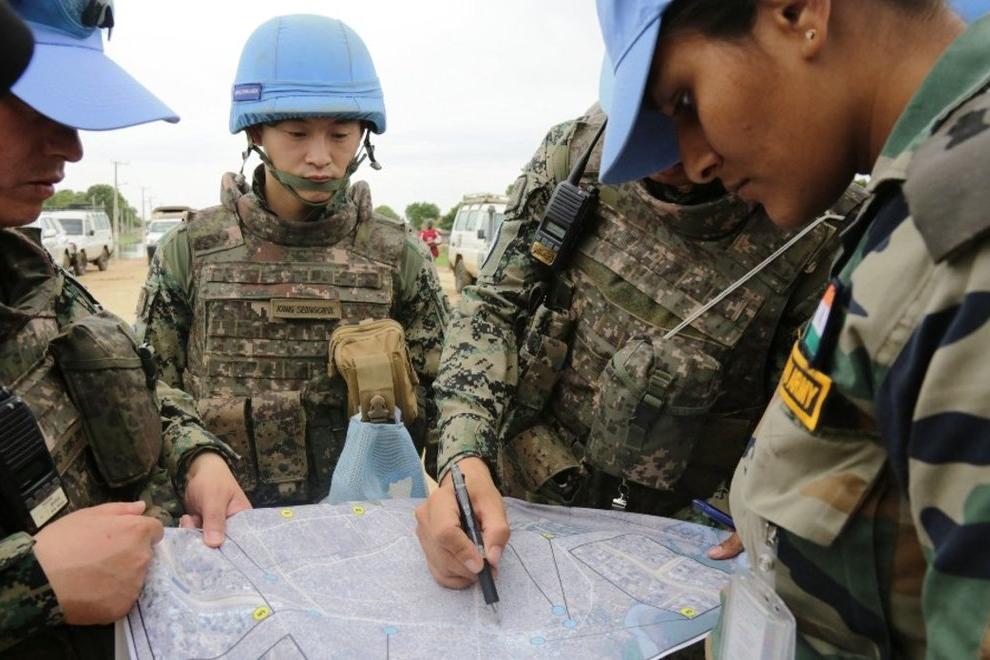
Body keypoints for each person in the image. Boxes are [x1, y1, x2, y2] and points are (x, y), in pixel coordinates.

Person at [596, 0, 990, 657]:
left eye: (685, 101)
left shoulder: (965, 225)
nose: (694, 161)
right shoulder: (913, 208)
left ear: (798, 11)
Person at [414, 99, 866, 590]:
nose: (661, 147)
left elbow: (810, 417)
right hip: (526, 504)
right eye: (646, 116)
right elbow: (493, 307)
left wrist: (748, 506)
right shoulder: (578, 153)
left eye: (692, 110)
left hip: (684, 545)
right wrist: (465, 457)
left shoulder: (824, 222)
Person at [0, 1, 249, 656]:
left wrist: (195, 455)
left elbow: (132, 377)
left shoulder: (28, 275)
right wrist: (31, 584)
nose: (71, 148)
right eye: (34, 107)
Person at [135, 14, 449, 507]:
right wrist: (192, 461)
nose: (320, 156)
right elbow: (149, 392)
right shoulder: (190, 251)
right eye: (298, 133)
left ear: (364, 136)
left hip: (367, 527)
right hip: (229, 528)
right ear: (255, 133)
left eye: (340, 135)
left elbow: (446, 400)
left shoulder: (398, 257)